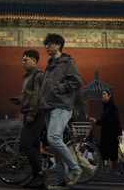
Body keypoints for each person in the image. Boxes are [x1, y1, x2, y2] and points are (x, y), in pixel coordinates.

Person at [39, 33, 84, 190]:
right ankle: (61, 179)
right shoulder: (50, 64)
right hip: (49, 107)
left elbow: (77, 81)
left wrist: (60, 88)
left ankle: (75, 168)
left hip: (62, 106)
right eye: (46, 44)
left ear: (58, 45)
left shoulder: (67, 62)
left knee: (53, 138)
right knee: (55, 146)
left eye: (49, 44)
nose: (46, 47)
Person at [11, 49, 46, 189]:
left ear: (34, 61)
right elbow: (29, 96)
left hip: (35, 115)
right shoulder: (27, 76)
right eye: (22, 59)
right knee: (33, 147)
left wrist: (32, 114)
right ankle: (36, 176)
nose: (22, 62)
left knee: (26, 144)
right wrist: (19, 100)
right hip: (29, 113)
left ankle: (40, 175)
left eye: (25, 59)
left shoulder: (38, 75)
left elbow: (38, 97)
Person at [90, 90, 121, 171]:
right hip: (106, 133)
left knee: (112, 151)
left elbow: (116, 121)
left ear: (109, 96)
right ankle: (107, 168)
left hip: (112, 133)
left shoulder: (113, 107)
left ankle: (115, 169)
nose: (102, 96)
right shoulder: (105, 107)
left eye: (104, 94)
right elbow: (104, 121)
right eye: (102, 95)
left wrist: (119, 134)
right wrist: (96, 121)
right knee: (105, 151)